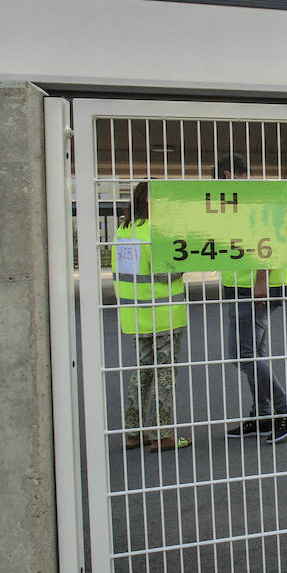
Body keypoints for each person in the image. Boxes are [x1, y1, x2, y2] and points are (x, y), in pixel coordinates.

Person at [216, 154, 287, 443]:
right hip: (246, 288)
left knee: (242, 354)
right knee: (254, 354)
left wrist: (262, 280)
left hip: (253, 290)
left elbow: (265, 239)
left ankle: (284, 409)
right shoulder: (240, 202)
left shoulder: (249, 202)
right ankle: (263, 415)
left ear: (228, 175)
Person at [113, 182, 190, 452]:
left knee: (140, 373)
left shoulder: (123, 231)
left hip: (135, 316)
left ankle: (133, 432)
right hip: (164, 314)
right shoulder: (157, 232)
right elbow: (165, 273)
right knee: (164, 375)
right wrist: (184, 262)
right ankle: (164, 434)